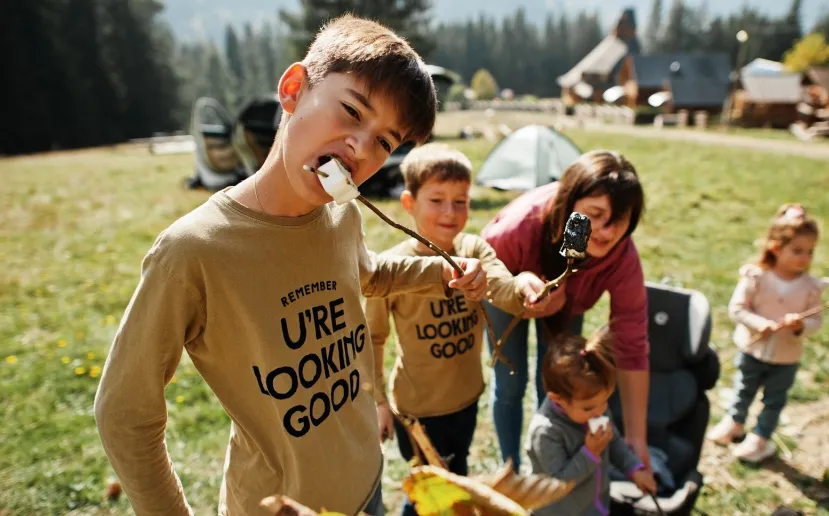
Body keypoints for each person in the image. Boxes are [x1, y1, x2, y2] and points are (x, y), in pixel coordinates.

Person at [94, 15, 491, 516]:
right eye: (351, 111)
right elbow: (124, 414)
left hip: (367, 482)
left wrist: (441, 271)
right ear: (294, 88)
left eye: (386, 142)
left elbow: (366, 276)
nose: (362, 148)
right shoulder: (193, 250)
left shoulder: (342, 215)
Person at [365, 142, 550, 516]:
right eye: (437, 200)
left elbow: (503, 287)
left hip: (466, 399)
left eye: (461, 201)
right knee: (430, 493)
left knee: (459, 475)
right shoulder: (391, 268)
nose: (450, 213)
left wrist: (526, 285)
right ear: (408, 203)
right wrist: (379, 401)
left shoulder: (475, 249)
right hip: (419, 411)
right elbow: (373, 337)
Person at [481, 149, 651, 472]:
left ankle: (548, 460)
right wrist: (519, 293)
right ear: (568, 202)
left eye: (619, 219)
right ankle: (510, 468)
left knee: (561, 384)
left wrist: (637, 438)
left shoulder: (622, 257)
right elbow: (484, 274)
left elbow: (632, 345)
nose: (605, 231)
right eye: (594, 214)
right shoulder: (518, 227)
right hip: (506, 288)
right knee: (510, 382)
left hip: (568, 305)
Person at [707, 203, 829, 463]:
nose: (804, 258)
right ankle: (734, 422)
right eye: (797, 251)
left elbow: (816, 321)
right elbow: (737, 309)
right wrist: (758, 323)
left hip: (786, 357)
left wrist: (800, 326)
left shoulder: (811, 288)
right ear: (775, 247)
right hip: (752, 348)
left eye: (809, 251)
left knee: (774, 399)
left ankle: (760, 438)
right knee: (744, 388)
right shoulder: (757, 277)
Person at [525, 329, 656, 516]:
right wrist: (590, 452)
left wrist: (634, 468)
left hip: (595, 507)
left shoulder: (595, 407)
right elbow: (558, 484)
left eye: (605, 401)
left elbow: (613, 440)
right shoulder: (546, 432)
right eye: (589, 408)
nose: (600, 411)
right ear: (558, 399)